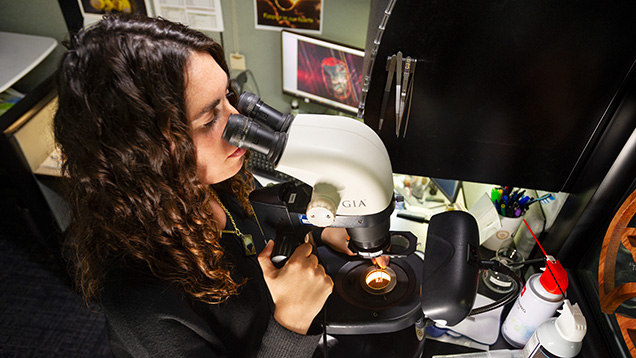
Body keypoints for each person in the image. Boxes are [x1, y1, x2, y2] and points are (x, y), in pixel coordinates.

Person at [53, 13, 356, 357]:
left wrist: (317, 230)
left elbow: (263, 225)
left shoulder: (220, 174)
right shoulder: (139, 299)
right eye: (210, 117)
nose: (239, 122)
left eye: (228, 96)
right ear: (144, 152)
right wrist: (291, 324)